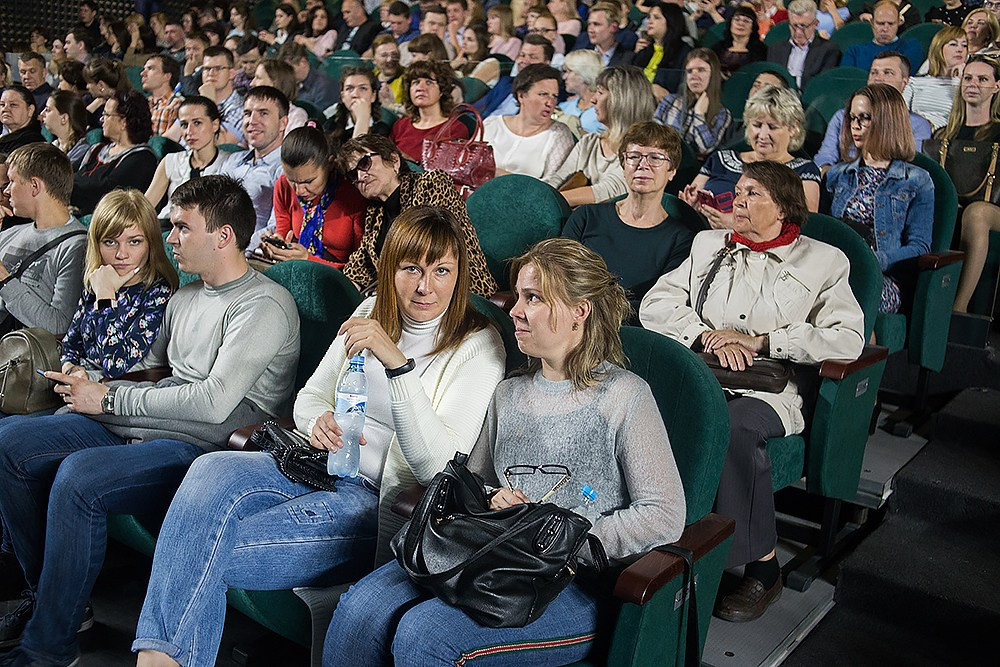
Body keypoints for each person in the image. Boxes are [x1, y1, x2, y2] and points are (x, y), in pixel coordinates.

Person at [131, 206, 506, 666]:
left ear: (459, 274)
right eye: (411, 269)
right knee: (208, 467)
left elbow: (438, 467)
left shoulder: (478, 345)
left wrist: (397, 365)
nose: (425, 286)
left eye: (441, 270)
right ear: (391, 269)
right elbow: (309, 398)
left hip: (374, 502)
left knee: (203, 547)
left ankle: (157, 659)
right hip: (316, 464)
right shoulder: (372, 310)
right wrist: (317, 422)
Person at [325, 235, 685, 666]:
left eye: (532, 298)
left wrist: (565, 537)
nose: (514, 310)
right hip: (492, 558)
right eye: (517, 297)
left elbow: (664, 512)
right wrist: (493, 499)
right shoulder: (508, 394)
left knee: (425, 637)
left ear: (579, 311)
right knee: (359, 608)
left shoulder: (624, 396)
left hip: (571, 582)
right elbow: (476, 483)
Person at [0, 174, 300, 665]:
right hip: (146, 423)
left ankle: (46, 648)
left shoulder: (262, 304)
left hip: (209, 449)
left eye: (182, 228)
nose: (171, 237)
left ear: (223, 236)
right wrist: (88, 376)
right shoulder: (184, 297)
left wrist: (111, 401)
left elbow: (213, 404)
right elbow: (138, 371)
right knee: (9, 444)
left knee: (78, 478)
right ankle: (51, 599)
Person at [640, 160, 865, 624]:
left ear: (784, 207)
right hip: (704, 372)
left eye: (753, 194)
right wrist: (703, 335)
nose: (738, 201)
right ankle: (652, 543)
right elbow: (657, 303)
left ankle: (762, 567)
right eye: (738, 192)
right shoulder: (708, 245)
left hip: (769, 390)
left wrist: (764, 342)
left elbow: (847, 338)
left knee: (736, 427)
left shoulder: (824, 260)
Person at [563, 121, 696, 317]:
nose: (643, 165)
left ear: (672, 171)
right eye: (634, 157)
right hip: (570, 319)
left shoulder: (681, 241)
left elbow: (659, 305)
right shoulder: (586, 217)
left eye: (655, 158)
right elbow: (559, 276)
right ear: (623, 165)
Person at [338, 134, 497, 296]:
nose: (360, 177)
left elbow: (426, 252)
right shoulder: (375, 211)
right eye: (353, 175)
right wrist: (348, 288)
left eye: (365, 163)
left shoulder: (432, 183)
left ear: (394, 160)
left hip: (456, 291)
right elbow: (361, 263)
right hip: (406, 296)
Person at [826, 83, 933, 313]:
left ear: (887, 121)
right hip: (836, 270)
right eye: (852, 118)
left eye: (864, 118)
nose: (855, 126)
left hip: (883, 278)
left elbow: (919, 247)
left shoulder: (916, 179)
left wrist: (875, 260)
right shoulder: (837, 175)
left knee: (848, 297)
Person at [59, 189, 177, 383]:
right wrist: (72, 370)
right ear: (97, 245)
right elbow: (70, 346)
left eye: (134, 242)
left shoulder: (158, 293)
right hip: (80, 386)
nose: (122, 254)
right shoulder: (98, 281)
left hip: (120, 396)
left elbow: (115, 365)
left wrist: (106, 296)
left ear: (151, 244)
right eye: (110, 242)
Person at [682, 85, 821, 228]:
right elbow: (693, 197)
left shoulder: (805, 171)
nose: (762, 135)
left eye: (772, 127)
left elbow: (805, 222)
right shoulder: (719, 159)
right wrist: (693, 206)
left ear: (793, 128)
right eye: (757, 125)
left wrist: (735, 222)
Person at [0, 143, 87, 336]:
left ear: (34, 186)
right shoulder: (10, 233)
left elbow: (59, 326)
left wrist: (4, 280)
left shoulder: (76, 247)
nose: (6, 191)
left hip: (20, 357)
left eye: (12, 181)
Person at [940, 56, 1000, 312]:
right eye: (968, 78)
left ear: (997, 87)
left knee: (977, 213)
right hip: (955, 205)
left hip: (992, 209)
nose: (973, 84)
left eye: (982, 79)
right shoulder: (944, 134)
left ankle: (959, 308)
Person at [545, 66, 656, 206]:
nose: (593, 100)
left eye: (600, 92)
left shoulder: (645, 150)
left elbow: (607, 191)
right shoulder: (589, 142)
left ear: (621, 100)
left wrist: (547, 200)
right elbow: (557, 180)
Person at [258, 126, 366, 269]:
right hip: (296, 270)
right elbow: (284, 234)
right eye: (293, 181)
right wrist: (279, 249)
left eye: (308, 182)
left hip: (340, 282)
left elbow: (361, 271)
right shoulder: (283, 186)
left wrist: (307, 259)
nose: (299, 191)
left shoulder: (354, 194)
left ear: (330, 164)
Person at [816, 51, 933, 171]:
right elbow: (825, 157)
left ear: (904, 81)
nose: (877, 78)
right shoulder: (842, 116)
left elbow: (913, 165)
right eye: (873, 73)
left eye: (888, 73)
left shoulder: (917, 124)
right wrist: (826, 176)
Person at [218, 86, 290, 247]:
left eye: (263, 113)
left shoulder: (286, 170)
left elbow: (275, 227)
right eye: (247, 113)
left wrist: (236, 250)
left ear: (283, 123)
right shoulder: (232, 161)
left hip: (249, 255)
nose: (252, 121)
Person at [145, 96, 235, 223]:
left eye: (197, 123)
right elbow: (145, 207)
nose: (189, 131)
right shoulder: (171, 161)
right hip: (166, 228)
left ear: (215, 125)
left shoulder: (230, 163)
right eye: (184, 125)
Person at [72, 89, 157, 217]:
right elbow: (66, 175)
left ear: (123, 122)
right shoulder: (96, 149)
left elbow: (106, 191)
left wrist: (68, 186)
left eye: (106, 114)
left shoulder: (142, 158)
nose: (101, 119)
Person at [483, 64, 575, 180]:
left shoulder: (559, 134)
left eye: (554, 96)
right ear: (521, 96)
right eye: (543, 94)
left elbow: (552, 185)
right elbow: (470, 165)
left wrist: (500, 175)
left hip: (523, 197)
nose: (550, 103)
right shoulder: (492, 124)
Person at [654, 48, 732, 159]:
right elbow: (652, 136)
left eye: (701, 70)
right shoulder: (670, 101)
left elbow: (705, 148)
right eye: (690, 71)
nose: (694, 76)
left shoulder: (722, 113)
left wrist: (699, 114)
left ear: (713, 74)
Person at [389, 60, 469, 162]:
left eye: (429, 82)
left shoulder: (455, 129)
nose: (420, 88)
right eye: (415, 82)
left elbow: (446, 171)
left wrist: (412, 163)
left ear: (441, 91)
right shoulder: (400, 126)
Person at [766, 0, 841, 89]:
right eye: (794, 26)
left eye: (803, 26)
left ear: (815, 24)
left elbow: (822, 86)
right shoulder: (776, 49)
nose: (798, 32)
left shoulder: (828, 50)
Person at [904, 26, 967, 130]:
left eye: (964, 46)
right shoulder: (914, 82)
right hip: (914, 131)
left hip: (947, 136)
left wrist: (963, 79)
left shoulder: (965, 85)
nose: (960, 49)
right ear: (939, 48)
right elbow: (901, 114)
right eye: (953, 44)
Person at [324, 66, 392, 153]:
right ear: (342, 96)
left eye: (363, 88)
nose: (355, 94)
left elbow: (357, 159)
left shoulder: (382, 129)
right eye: (349, 89)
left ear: (373, 96)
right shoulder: (331, 125)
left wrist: (362, 118)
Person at [632, 2, 692, 99]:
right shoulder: (644, 50)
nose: (649, 22)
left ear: (671, 21)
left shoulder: (684, 52)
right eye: (649, 17)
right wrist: (635, 54)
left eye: (656, 17)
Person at [841, 1, 923, 71]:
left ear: (899, 22)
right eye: (880, 23)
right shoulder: (854, 51)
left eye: (891, 24)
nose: (885, 29)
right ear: (872, 22)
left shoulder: (911, 47)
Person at [277, 41, 340, 110]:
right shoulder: (291, 84)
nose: (286, 73)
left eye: (290, 69)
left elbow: (321, 118)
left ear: (303, 62)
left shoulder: (324, 86)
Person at [251, 59, 308, 134]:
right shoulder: (251, 112)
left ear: (275, 83)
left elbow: (294, 145)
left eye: (258, 78)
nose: (252, 83)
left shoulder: (296, 116)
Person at [40, 91, 91, 171]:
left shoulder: (82, 151)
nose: (42, 113)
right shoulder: (52, 146)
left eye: (48, 110)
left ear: (64, 118)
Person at [713, 5, 768, 78]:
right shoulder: (717, 48)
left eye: (746, 21)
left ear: (752, 27)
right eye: (737, 20)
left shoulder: (761, 50)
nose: (741, 24)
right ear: (730, 24)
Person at [141, 54, 183, 136]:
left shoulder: (176, 104)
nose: (142, 73)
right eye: (144, 69)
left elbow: (169, 144)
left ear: (167, 76)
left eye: (150, 68)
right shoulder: (142, 103)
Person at [586, 1, 634, 67]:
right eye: (589, 24)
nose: (590, 30)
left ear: (613, 27)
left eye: (596, 24)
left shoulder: (627, 58)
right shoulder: (582, 50)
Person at [0, 87, 45, 155]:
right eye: (2, 104)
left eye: (13, 105)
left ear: (30, 110)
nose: (5, 109)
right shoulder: (5, 139)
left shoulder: (32, 144)